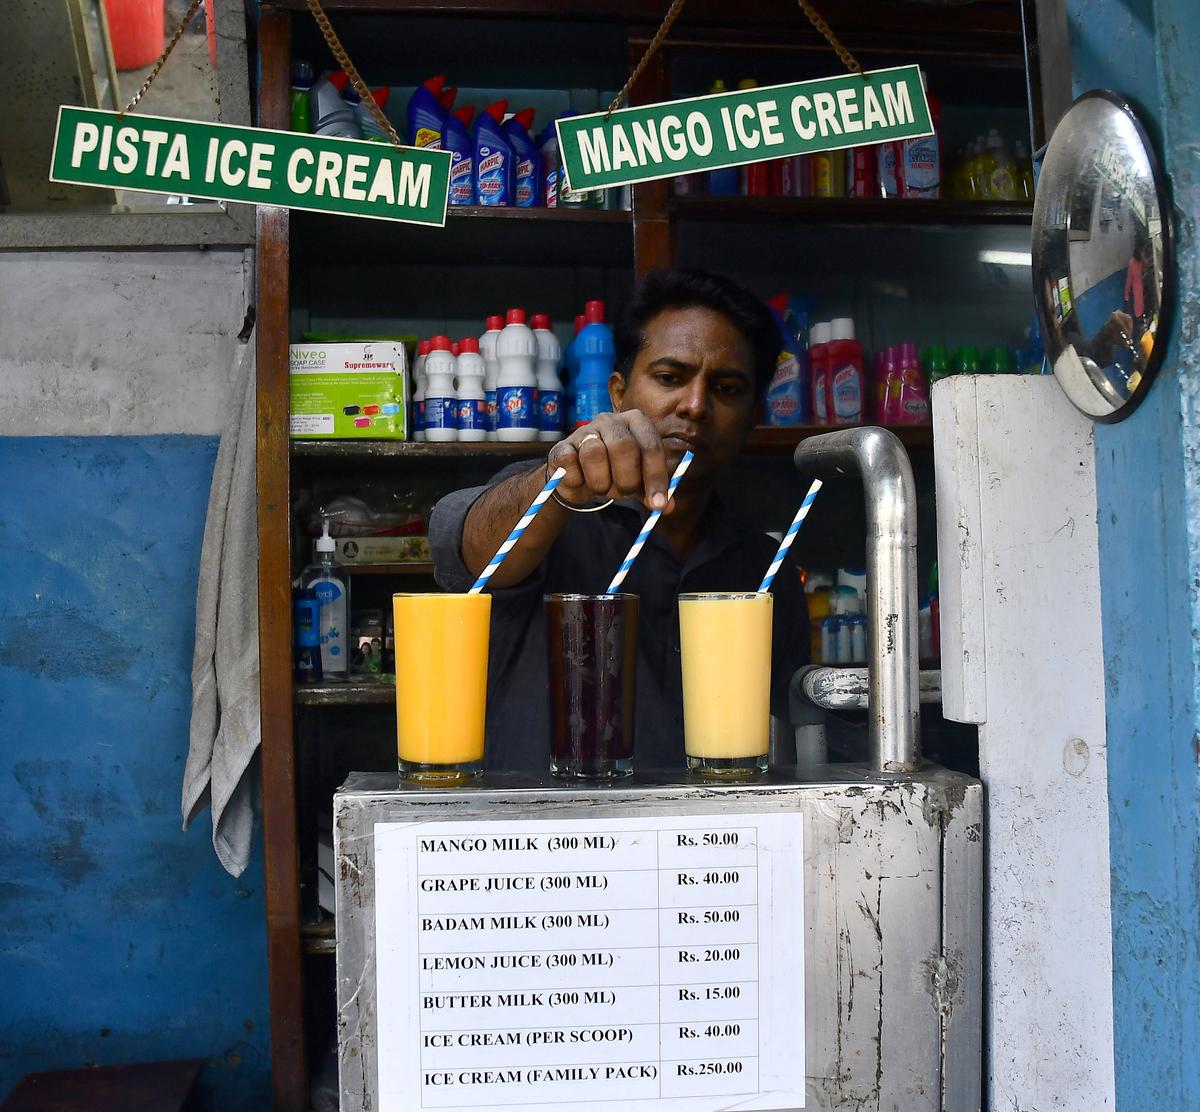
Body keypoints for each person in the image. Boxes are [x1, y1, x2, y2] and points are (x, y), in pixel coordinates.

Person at [429, 268, 810, 771]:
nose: (695, 406)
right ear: (617, 392)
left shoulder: (766, 571)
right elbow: (467, 549)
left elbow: (797, 734)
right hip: (538, 838)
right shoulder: (552, 508)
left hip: (713, 841)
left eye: (726, 387)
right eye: (670, 378)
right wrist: (560, 483)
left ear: (753, 416)